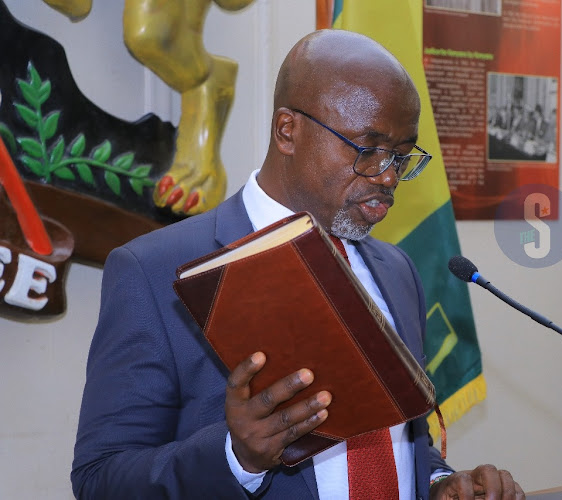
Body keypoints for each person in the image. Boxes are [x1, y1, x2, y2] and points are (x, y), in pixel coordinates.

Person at [71, 29, 525, 500]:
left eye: (402, 154)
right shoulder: (154, 271)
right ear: (288, 130)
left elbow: (397, 439)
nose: (390, 176)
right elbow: (101, 479)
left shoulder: (397, 270)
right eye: (369, 149)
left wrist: (438, 483)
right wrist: (237, 458)